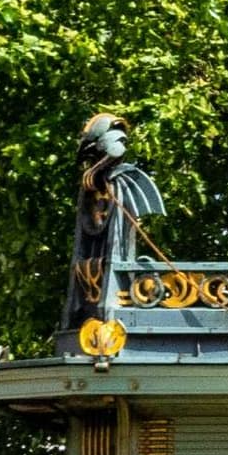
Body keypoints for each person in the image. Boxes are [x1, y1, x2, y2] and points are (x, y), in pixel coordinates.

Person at [63, 113, 168, 332]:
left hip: (109, 241)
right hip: (95, 244)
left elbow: (116, 149)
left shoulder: (119, 175)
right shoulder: (94, 181)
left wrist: (95, 170)